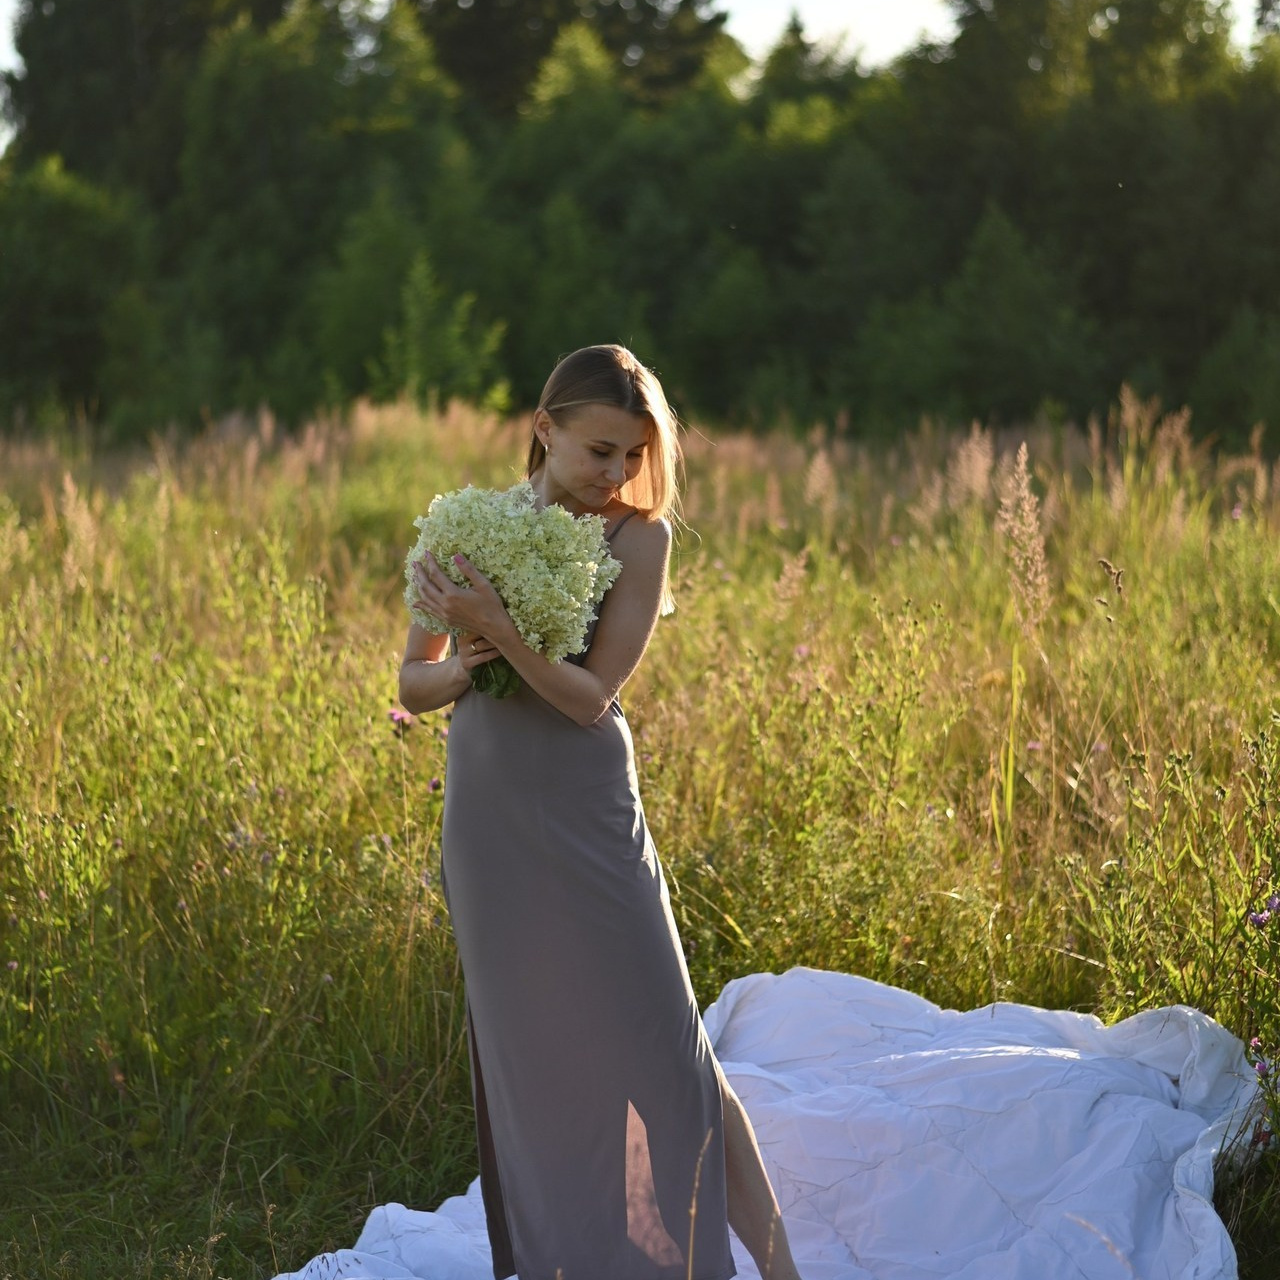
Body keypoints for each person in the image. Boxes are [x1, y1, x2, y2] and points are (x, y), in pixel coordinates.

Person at [400, 344, 804, 1280]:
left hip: (587, 813)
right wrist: (466, 663)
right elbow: (411, 684)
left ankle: (778, 1271)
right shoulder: (468, 524)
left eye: (632, 455)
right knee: (530, 1058)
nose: (616, 475)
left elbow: (592, 697)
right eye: (599, 451)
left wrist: (501, 630)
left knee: (671, 1054)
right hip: (490, 818)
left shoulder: (639, 539)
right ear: (544, 430)